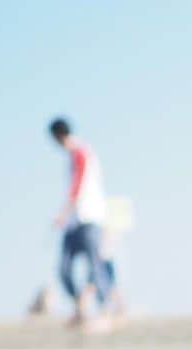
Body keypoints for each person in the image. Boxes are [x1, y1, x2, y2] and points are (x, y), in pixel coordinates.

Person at [48, 117, 111, 327]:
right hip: (75, 222)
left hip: (90, 216)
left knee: (95, 264)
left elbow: (78, 185)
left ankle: (104, 309)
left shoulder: (81, 152)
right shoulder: (73, 155)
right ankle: (81, 308)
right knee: (64, 268)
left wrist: (62, 214)